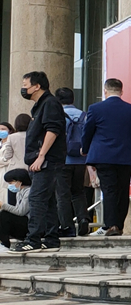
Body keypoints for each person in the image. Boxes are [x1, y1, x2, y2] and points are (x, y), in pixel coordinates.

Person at [82, 78, 131, 237]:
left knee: (109, 190)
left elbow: (87, 132)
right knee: (122, 191)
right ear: (121, 91)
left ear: (105, 91)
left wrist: (85, 150)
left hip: (103, 157)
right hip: (125, 157)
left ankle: (111, 225)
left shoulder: (95, 109)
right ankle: (118, 225)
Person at [8, 71, 68, 252]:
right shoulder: (40, 105)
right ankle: (51, 238)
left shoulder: (50, 103)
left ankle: (33, 239)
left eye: (25, 85)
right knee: (47, 200)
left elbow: (53, 130)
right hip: (40, 161)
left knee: (36, 198)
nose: (23, 89)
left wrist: (41, 156)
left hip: (47, 161)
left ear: (37, 86)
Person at [55, 87, 89, 237]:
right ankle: (83, 219)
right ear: (73, 99)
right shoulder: (84, 115)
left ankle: (67, 226)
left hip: (63, 160)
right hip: (80, 160)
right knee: (78, 191)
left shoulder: (57, 115)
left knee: (62, 194)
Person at [0, 169, 31, 249]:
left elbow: (21, 211)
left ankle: (5, 243)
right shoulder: (19, 192)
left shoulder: (29, 192)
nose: (9, 186)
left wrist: (3, 205)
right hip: (23, 222)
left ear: (19, 181)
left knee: (4, 215)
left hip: (29, 224)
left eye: (11, 183)